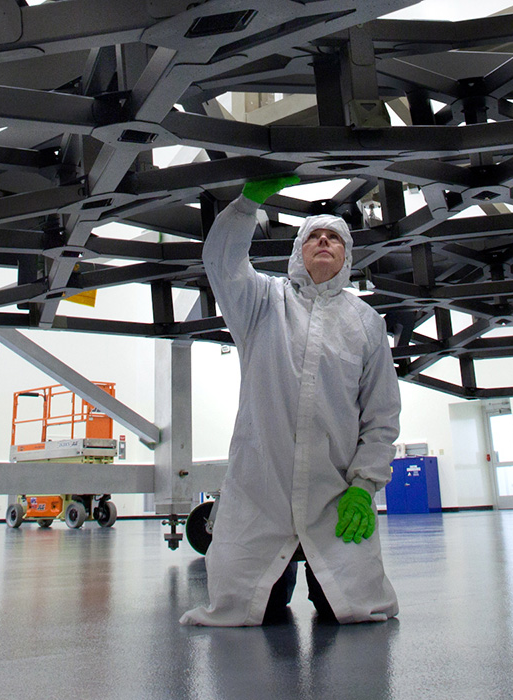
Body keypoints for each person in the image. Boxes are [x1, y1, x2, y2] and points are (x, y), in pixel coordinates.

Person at [180, 174, 401, 626]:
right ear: (298, 252)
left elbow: (381, 416)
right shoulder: (262, 301)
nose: (324, 241)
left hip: (334, 496)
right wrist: (246, 205)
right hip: (261, 492)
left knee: (352, 607)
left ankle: (326, 571)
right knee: (252, 607)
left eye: (334, 238)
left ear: (347, 255)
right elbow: (222, 264)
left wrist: (364, 486)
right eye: (314, 237)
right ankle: (276, 581)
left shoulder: (365, 323)